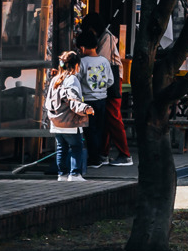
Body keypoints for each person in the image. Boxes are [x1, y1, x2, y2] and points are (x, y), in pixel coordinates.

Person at [81, 13, 132, 166]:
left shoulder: (106, 37)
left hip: (111, 79)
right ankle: (103, 153)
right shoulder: (103, 37)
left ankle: (125, 154)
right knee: (105, 117)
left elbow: (98, 59)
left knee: (113, 116)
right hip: (103, 79)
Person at [46, 51, 92, 182]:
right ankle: (75, 174)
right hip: (70, 121)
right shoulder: (72, 80)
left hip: (56, 121)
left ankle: (62, 174)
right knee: (76, 147)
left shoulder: (55, 79)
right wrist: (85, 109)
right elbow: (73, 101)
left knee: (61, 148)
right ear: (76, 65)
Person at [76, 33, 114, 168]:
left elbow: (76, 80)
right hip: (102, 99)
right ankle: (99, 156)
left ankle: (94, 159)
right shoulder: (104, 61)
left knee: (90, 130)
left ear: (82, 48)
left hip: (87, 100)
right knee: (99, 128)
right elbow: (111, 80)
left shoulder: (82, 62)